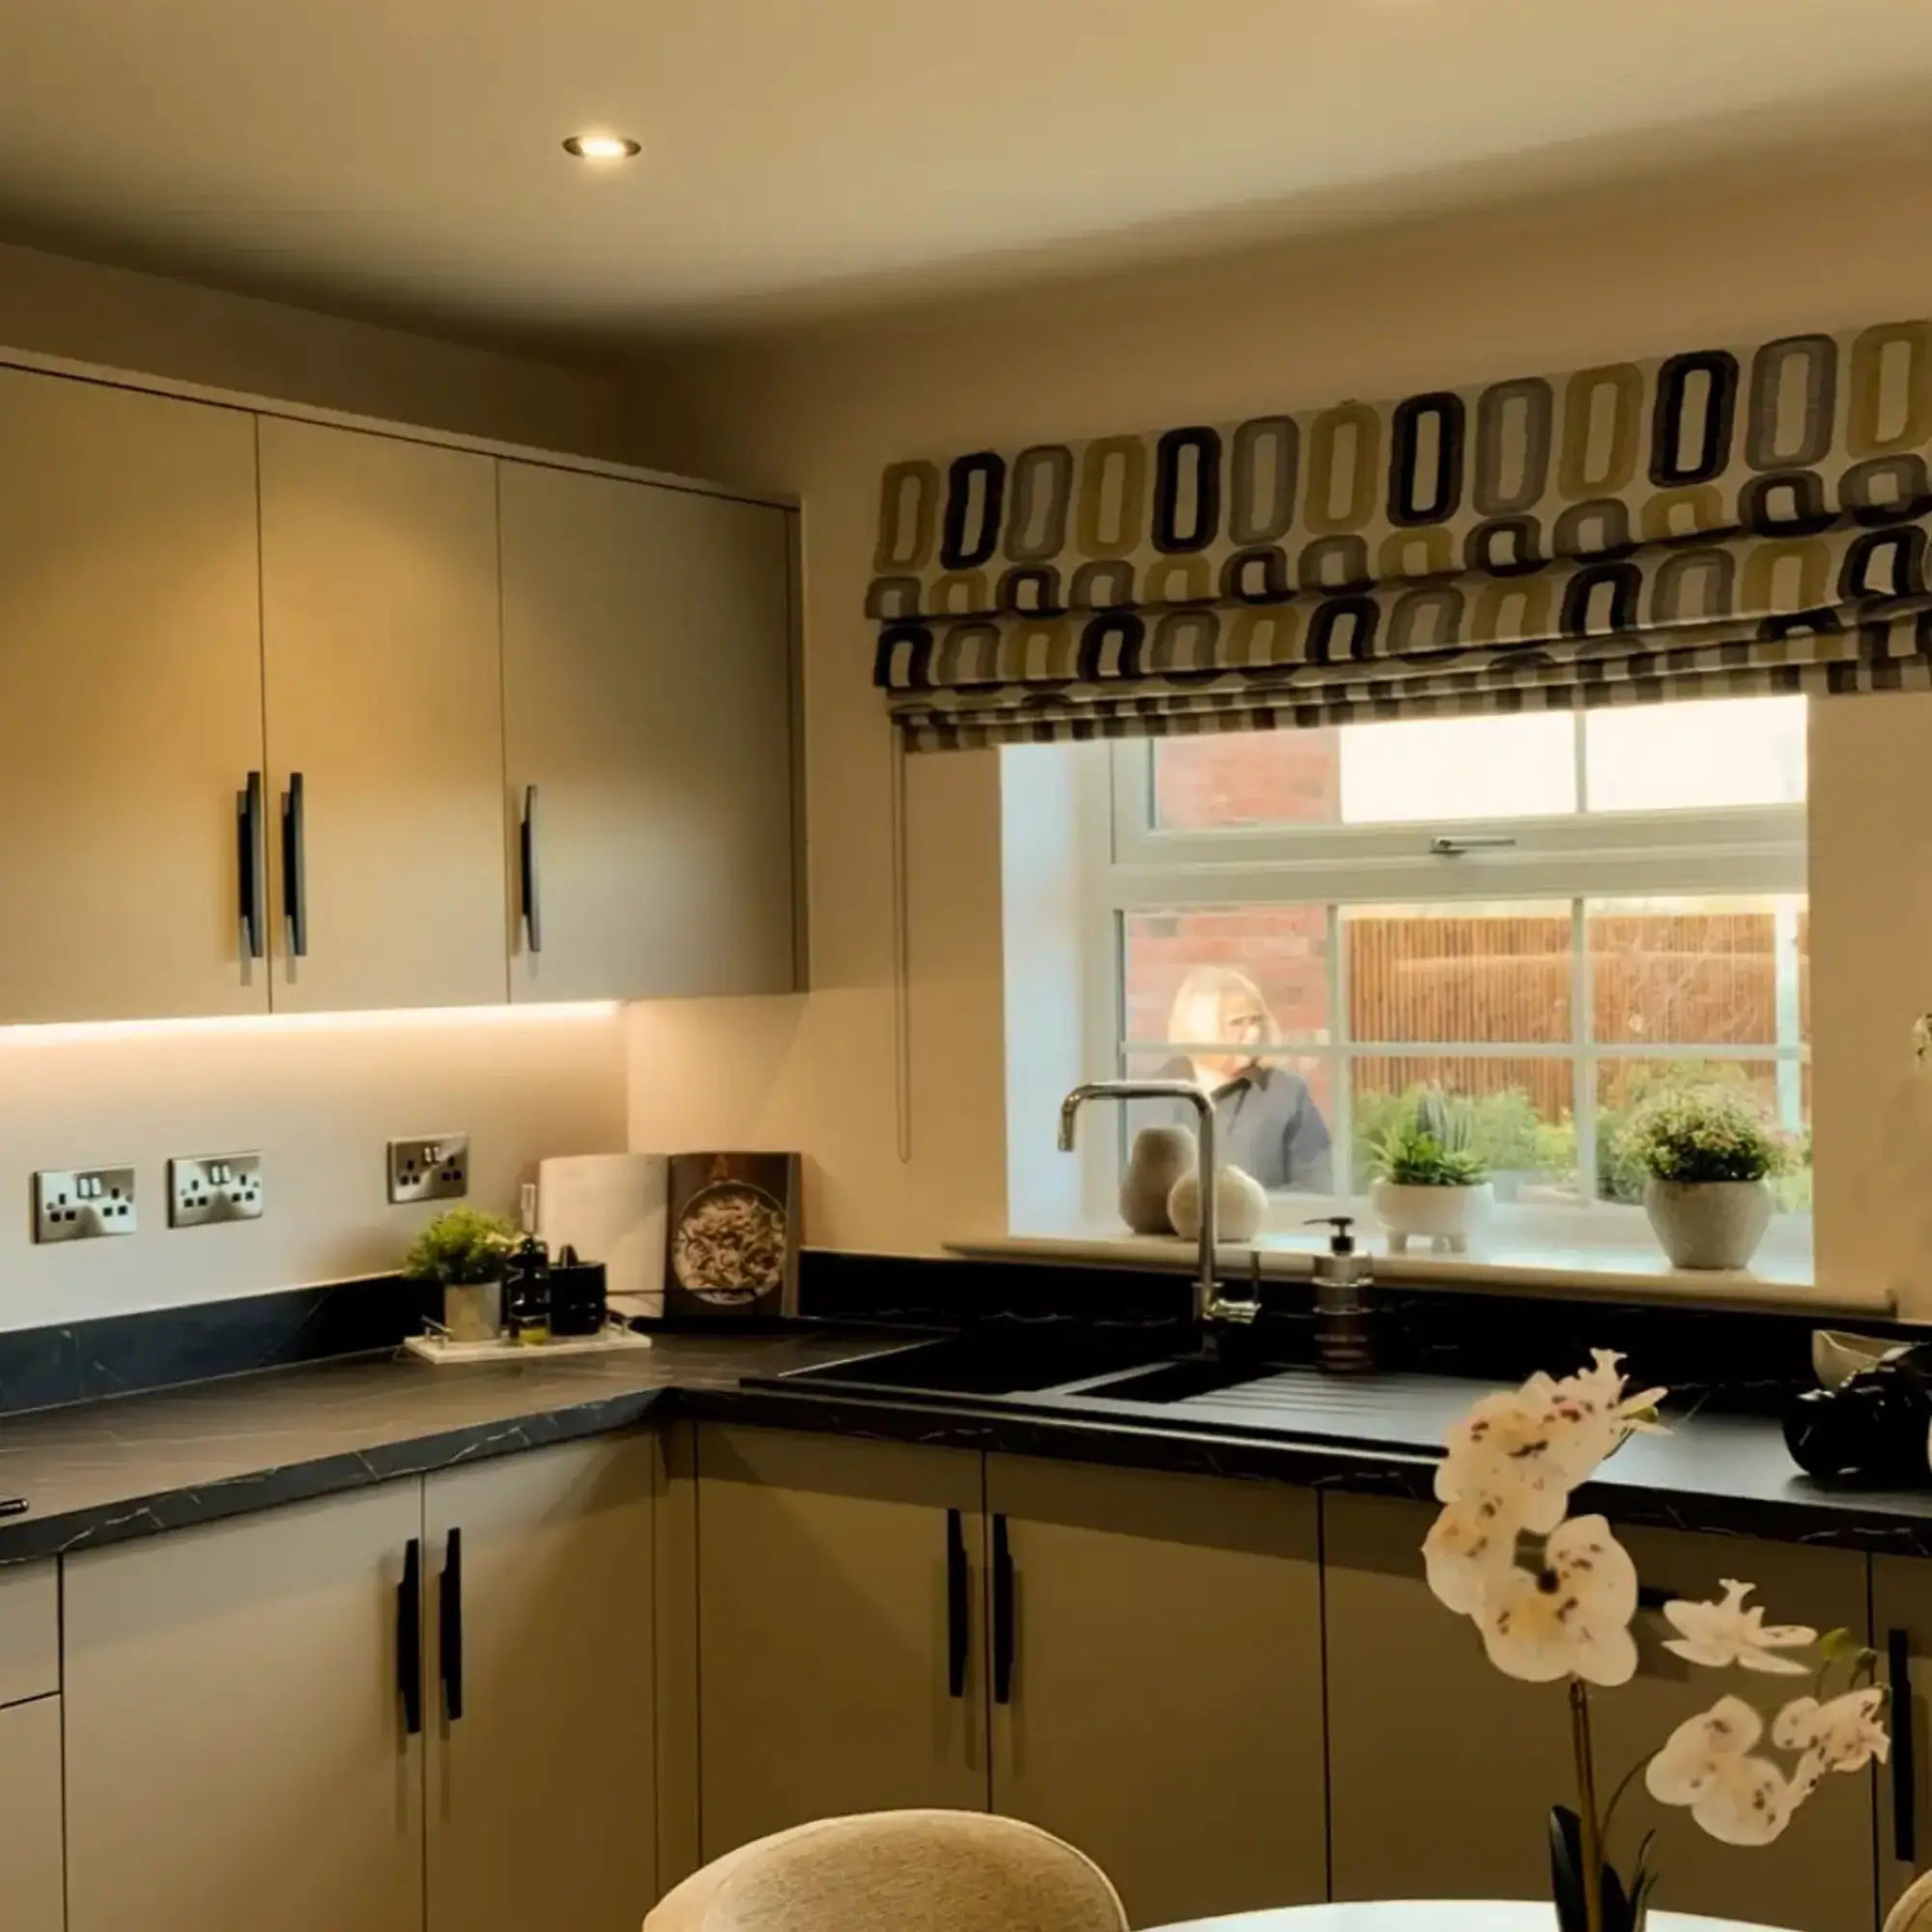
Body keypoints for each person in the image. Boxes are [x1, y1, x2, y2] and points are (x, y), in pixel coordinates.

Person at [1157, 965, 1333, 1192]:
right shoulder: (1154, 1092)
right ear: (1199, 1027)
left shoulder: (1287, 1095)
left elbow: (1318, 1186)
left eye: (1256, 1021)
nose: (1253, 1033)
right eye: (1238, 1022)